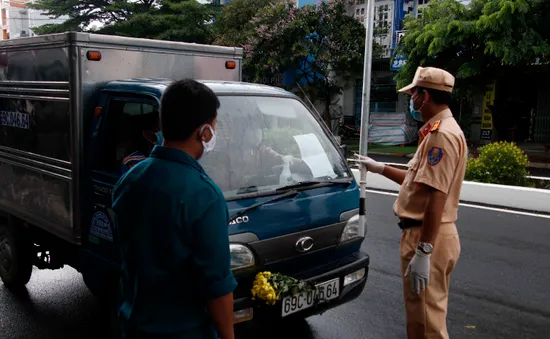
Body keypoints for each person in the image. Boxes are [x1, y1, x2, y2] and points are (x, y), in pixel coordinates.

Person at [112, 79, 237, 339]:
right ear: (204, 132)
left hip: (133, 326)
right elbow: (217, 288)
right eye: (214, 127)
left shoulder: (130, 179)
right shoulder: (204, 196)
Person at [356, 66, 467, 339]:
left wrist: (424, 251)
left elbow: (436, 195)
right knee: (420, 318)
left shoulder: (441, 135)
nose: (411, 101)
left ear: (425, 96)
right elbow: (418, 182)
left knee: (427, 324)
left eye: (413, 95)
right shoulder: (436, 131)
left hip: (427, 235)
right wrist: (381, 168)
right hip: (425, 234)